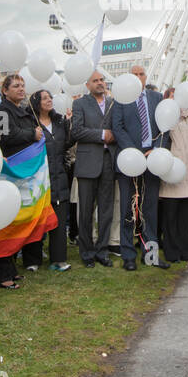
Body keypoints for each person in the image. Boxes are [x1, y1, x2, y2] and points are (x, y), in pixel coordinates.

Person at [111, 64, 170, 268]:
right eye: (134, 74)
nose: (138, 77)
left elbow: (165, 128)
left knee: (150, 209)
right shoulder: (120, 100)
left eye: (141, 74)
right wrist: (133, 153)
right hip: (129, 161)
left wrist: (155, 149)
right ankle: (128, 255)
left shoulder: (157, 98)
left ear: (146, 77)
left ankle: (150, 255)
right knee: (128, 209)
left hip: (152, 161)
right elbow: (117, 128)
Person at [0, 73, 40, 288]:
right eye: (15, 85)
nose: (20, 88)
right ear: (4, 90)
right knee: (5, 222)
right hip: (9, 171)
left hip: (22, 172)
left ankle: (10, 267)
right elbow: (4, 137)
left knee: (16, 220)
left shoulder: (24, 110)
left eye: (22, 85)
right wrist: (31, 135)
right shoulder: (2, 111)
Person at [72, 70, 116, 267]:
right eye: (95, 81)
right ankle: (87, 253)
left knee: (106, 210)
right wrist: (101, 135)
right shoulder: (80, 104)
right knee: (86, 212)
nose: (100, 83)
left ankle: (102, 250)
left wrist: (113, 135)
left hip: (108, 162)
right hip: (88, 164)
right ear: (88, 85)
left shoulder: (115, 103)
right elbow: (77, 131)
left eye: (102, 80)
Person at [31, 88, 72, 271]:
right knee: (37, 218)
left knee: (60, 218)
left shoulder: (59, 121)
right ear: (36, 102)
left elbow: (67, 143)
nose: (49, 100)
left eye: (50, 97)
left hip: (59, 176)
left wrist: (70, 124)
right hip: (39, 178)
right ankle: (33, 259)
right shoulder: (31, 123)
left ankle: (58, 259)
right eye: (44, 98)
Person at [160, 96, 188, 262]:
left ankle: (186, 251)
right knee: (170, 216)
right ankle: (171, 252)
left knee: (186, 216)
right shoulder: (166, 118)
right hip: (173, 172)